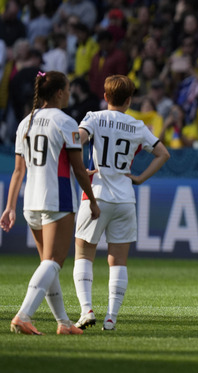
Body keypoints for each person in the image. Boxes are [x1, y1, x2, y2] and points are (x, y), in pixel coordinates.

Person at [1, 71, 100, 335]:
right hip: (57, 199)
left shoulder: (26, 122)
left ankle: (64, 323)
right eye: (67, 89)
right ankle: (24, 315)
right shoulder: (66, 122)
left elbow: (18, 171)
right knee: (55, 261)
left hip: (30, 202)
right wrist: (92, 199)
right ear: (58, 93)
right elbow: (79, 169)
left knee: (48, 263)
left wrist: (9, 206)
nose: (69, 93)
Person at [72, 75, 170, 331]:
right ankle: (111, 318)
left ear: (106, 97)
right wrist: (139, 179)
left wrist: (82, 167)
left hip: (96, 193)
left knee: (83, 254)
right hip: (125, 197)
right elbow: (163, 154)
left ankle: (86, 310)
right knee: (118, 261)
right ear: (129, 100)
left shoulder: (94, 117)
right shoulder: (137, 125)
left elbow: (76, 140)